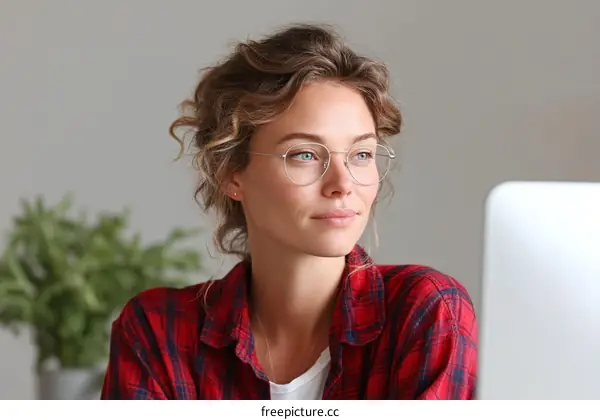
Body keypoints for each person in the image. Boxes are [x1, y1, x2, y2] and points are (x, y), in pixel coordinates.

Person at [100, 23, 477, 400]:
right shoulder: (158, 331)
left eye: (361, 154)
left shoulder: (427, 311)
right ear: (231, 172)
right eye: (305, 155)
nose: (343, 183)